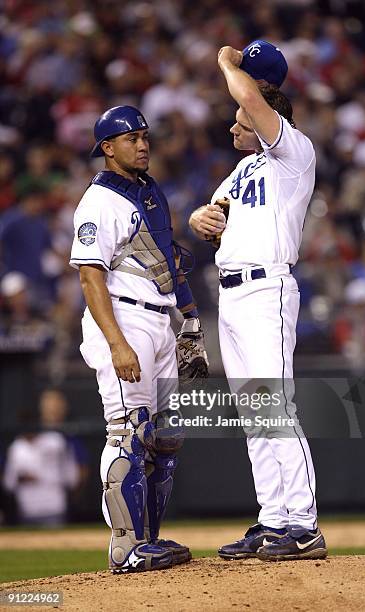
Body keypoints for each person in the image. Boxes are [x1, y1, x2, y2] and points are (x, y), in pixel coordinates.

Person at [189, 41, 327, 562]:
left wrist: (227, 65)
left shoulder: (294, 153)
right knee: (255, 415)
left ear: (263, 117)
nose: (232, 130)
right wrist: (202, 217)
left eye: (240, 122)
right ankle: (273, 520)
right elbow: (212, 212)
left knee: (275, 407)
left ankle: (305, 525)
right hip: (231, 296)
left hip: (267, 287)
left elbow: (249, 95)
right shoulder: (245, 169)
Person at [70, 105, 208, 573]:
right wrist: (117, 343)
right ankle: (125, 547)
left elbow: (170, 260)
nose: (143, 144)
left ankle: (147, 540)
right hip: (123, 320)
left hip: (160, 321)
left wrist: (190, 320)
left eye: (145, 136)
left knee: (165, 437)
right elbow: (91, 278)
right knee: (128, 430)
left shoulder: (149, 191)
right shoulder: (98, 203)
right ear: (107, 149)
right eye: (131, 139)